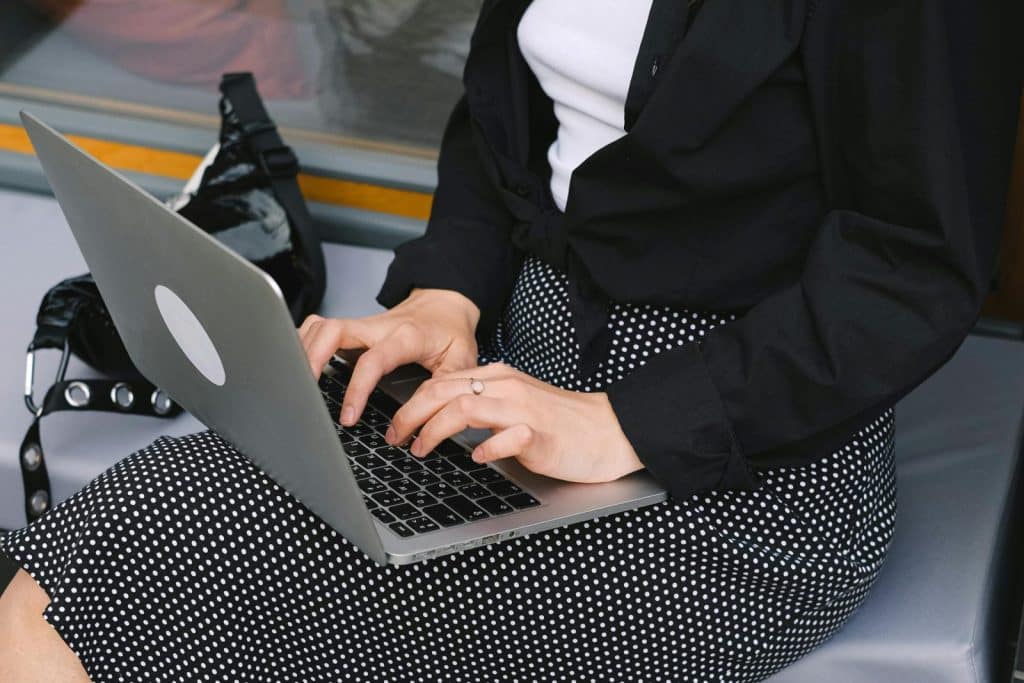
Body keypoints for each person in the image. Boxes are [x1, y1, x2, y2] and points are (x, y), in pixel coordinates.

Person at [0, 0, 1016, 681]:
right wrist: (444, 296)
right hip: (510, 392)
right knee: (132, 532)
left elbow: (911, 267)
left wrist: (620, 422)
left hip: (747, 480)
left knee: (137, 548)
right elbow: (502, 130)